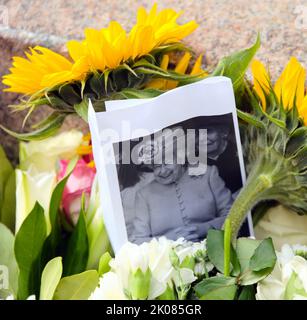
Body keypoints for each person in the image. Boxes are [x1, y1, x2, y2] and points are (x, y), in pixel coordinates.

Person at [131, 127, 234, 244]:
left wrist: (203, 229)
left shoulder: (208, 175)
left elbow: (233, 215)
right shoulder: (144, 195)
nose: (162, 171)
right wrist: (169, 239)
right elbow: (137, 240)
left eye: (167, 162)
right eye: (156, 166)